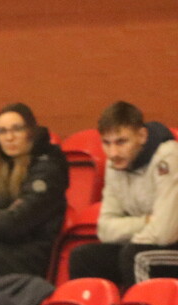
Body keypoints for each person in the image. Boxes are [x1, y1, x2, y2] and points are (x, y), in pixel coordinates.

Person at [67, 101, 178, 287]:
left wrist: (129, 232)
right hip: (146, 244)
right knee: (83, 256)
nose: (113, 153)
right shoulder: (114, 164)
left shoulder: (168, 157)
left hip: (171, 245)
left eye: (121, 142)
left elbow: (164, 233)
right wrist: (145, 222)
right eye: (106, 143)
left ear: (142, 136)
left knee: (135, 256)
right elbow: (105, 229)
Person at [0, 103, 68, 281]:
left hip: (27, 261)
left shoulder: (48, 170)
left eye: (17, 129)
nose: (9, 138)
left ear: (31, 132)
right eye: (2, 131)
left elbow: (14, 223)